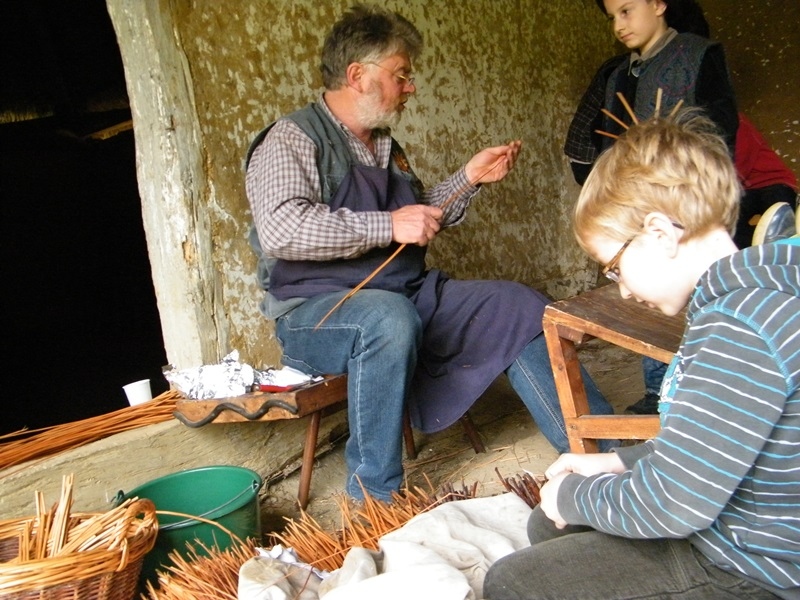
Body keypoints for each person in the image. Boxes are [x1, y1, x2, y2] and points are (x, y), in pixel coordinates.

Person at [245, 5, 616, 503]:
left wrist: (469, 178)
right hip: (317, 315)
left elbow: (417, 217)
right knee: (386, 319)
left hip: (406, 294)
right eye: (401, 75)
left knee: (519, 305)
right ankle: (373, 498)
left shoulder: (385, 145)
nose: (411, 87)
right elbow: (281, 230)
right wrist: (388, 224)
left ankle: (602, 456)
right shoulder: (292, 138)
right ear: (357, 75)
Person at [483, 110, 800, 599]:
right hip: (742, 522)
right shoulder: (752, 296)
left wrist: (574, 496)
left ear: (660, 233)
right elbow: (716, 441)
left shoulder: (737, 329)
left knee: (513, 583)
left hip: (753, 564)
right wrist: (618, 463)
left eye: (614, 266)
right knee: (550, 524)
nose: (623, 289)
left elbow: (675, 503)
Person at [565, 0, 739, 415]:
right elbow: (599, 140)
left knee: (665, 281)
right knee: (653, 290)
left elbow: (722, 128)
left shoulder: (699, 54)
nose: (618, 26)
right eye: (612, 17)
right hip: (639, 203)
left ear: (659, 4)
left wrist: (682, 171)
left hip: (681, 190)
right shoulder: (617, 74)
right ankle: (660, 386)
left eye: (626, 11)